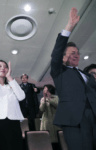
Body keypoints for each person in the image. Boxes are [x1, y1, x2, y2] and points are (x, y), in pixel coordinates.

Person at [50, 7, 96, 150]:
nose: (76, 55)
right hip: (75, 119)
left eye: (77, 53)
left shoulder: (88, 75)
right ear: (63, 57)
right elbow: (56, 52)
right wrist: (69, 27)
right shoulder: (59, 71)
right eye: (71, 53)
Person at [39, 84, 61, 150]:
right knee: (47, 140)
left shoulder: (56, 97)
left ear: (49, 89)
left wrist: (49, 98)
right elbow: (41, 109)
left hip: (55, 120)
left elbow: (57, 105)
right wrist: (45, 99)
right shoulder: (43, 99)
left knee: (57, 139)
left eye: (45, 88)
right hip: (46, 121)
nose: (44, 90)